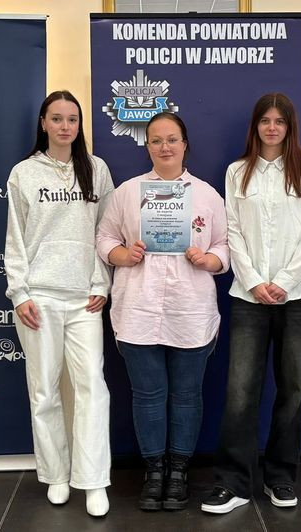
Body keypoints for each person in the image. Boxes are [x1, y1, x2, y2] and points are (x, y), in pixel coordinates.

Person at [96, 112, 229, 511]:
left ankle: (179, 472)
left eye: (172, 139)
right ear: (147, 146)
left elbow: (225, 245)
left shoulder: (207, 195)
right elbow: (104, 237)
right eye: (156, 140)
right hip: (138, 307)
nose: (164, 147)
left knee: (187, 395)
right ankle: (154, 471)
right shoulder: (127, 193)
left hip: (191, 309)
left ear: (185, 144)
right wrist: (123, 254)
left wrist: (209, 260)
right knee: (148, 395)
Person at [201, 93, 301, 514]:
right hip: (248, 296)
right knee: (240, 391)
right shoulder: (238, 172)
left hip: (297, 296)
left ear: (290, 127)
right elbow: (232, 230)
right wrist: (254, 281)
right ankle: (233, 483)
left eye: (280, 121)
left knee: (291, 389)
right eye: (265, 121)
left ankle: (281, 478)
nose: (272, 128)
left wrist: (284, 281)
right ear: (255, 126)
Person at [4, 90, 113, 517]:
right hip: (40, 298)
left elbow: (106, 232)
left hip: (84, 299)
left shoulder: (96, 170)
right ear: (44, 123)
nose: (65, 126)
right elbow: (15, 236)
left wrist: (101, 282)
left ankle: (93, 479)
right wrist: (20, 293)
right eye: (57, 118)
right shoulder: (24, 173)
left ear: (79, 125)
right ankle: (56, 475)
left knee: (92, 387)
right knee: (44, 391)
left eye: (72, 119)